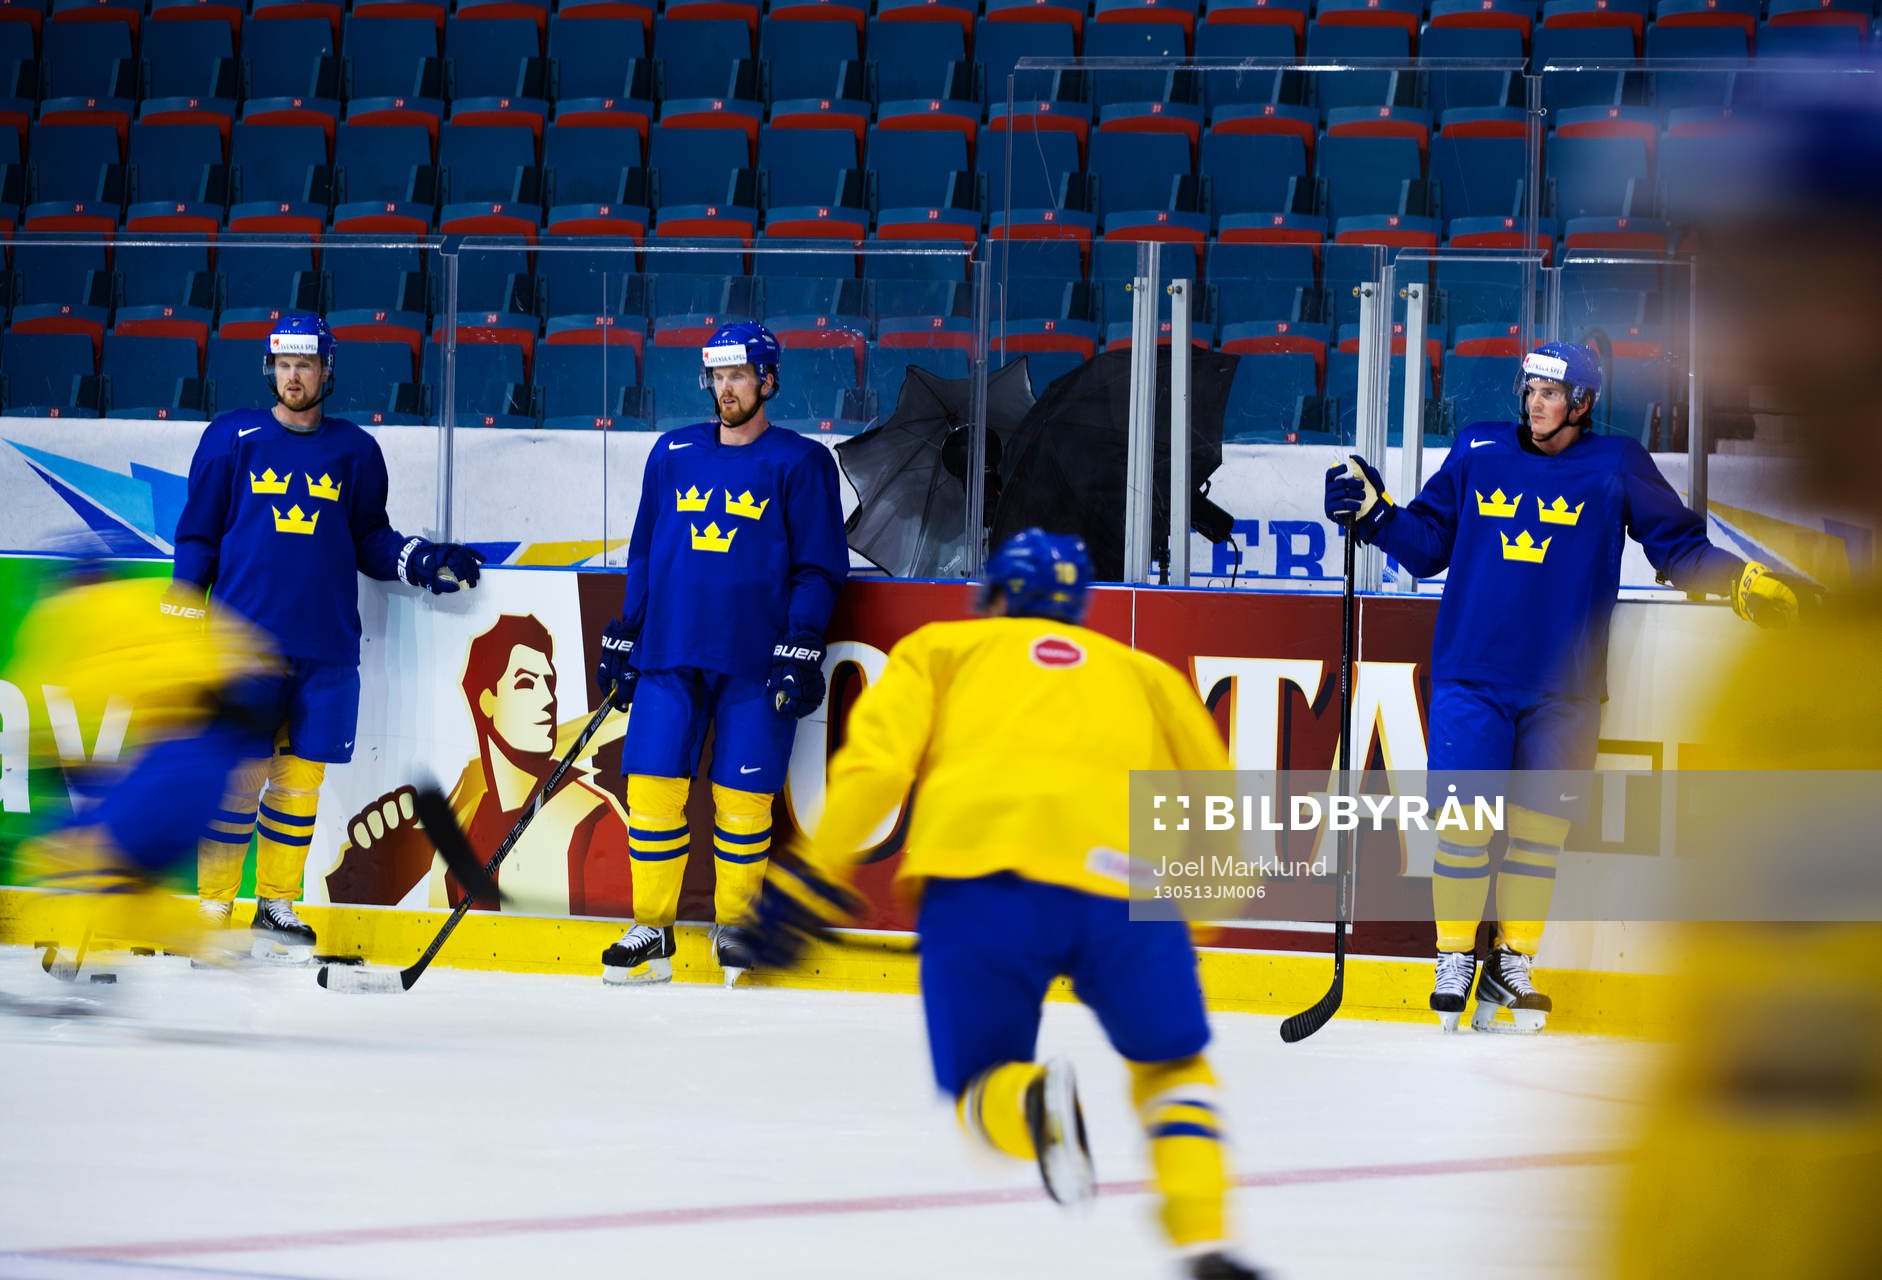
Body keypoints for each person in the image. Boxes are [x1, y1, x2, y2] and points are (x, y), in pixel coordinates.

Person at [748, 530, 1264, 1280]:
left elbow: (872, 769)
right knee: (1174, 1068)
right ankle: (1206, 1237)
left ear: (993, 597)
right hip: (1122, 893)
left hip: (977, 884)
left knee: (980, 1082)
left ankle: (1026, 1102)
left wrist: (802, 885)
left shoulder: (941, 650)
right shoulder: (1146, 674)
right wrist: (1199, 919)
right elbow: (1218, 801)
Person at [1324, 341, 1810, 1032]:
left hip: (1566, 686)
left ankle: (1511, 962)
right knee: (1465, 827)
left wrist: (1737, 581)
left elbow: (1676, 547)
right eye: (1530, 390)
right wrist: (1374, 516)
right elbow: (1427, 544)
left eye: (1551, 393)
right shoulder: (1478, 448)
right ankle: (1455, 955)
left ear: (1582, 403)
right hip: (1473, 675)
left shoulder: (1617, 463)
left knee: (1536, 835)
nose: (1535, 403)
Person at [172, 313, 485, 963]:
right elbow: (198, 531)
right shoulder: (233, 437)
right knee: (236, 778)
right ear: (271, 369)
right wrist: (183, 605)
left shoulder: (355, 451)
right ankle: (212, 908)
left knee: (298, 782)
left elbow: (369, 538)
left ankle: (276, 905)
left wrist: (419, 561)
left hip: (325, 648)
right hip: (243, 642)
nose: (293, 376)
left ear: (326, 371)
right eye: (283, 364)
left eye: (305, 365)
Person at [594, 321, 847, 985]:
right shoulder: (672, 452)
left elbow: (820, 565)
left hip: (755, 660)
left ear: (767, 380)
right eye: (718, 376)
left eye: (739, 375)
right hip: (668, 650)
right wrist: (628, 627)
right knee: (650, 785)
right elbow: (647, 550)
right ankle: (651, 930)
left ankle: (735, 926)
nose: (726, 388)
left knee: (743, 797)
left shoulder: (800, 461)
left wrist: (803, 640)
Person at [4, 566, 283, 970]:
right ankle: (221, 954)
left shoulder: (69, 618)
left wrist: (63, 764)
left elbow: (41, 711)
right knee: (132, 883)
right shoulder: (158, 600)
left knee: (65, 854)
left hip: (170, 766)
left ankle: (82, 967)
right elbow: (256, 665)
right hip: (209, 771)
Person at [322, 613, 633, 917]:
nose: (547, 698)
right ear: (487, 701)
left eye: (548, 683)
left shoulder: (593, 823)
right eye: (526, 684)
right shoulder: (460, 823)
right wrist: (357, 892)